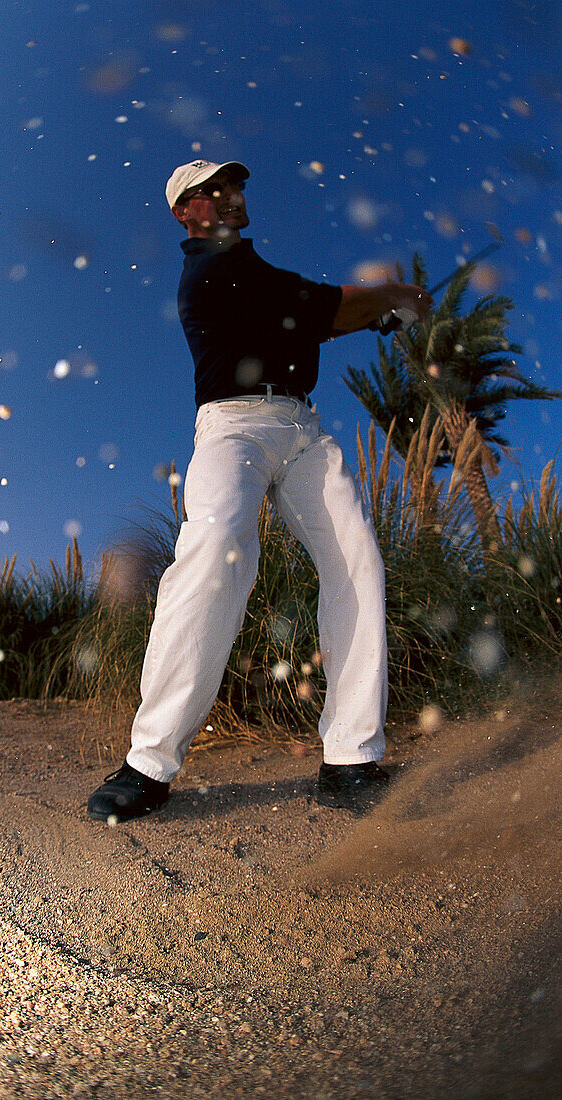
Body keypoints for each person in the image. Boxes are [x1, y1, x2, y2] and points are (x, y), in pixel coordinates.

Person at [87, 159, 432, 822]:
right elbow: (325, 308)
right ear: (182, 214)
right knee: (215, 548)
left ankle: (350, 761)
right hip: (231, 427)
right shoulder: (211, 270)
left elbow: (318, 318)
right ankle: (148, 762)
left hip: (303, 428)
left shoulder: (258, 272)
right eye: (205, 191)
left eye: (231, 185)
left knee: (356, 561)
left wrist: (374, 309)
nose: (224, 196)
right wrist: (395, 295)